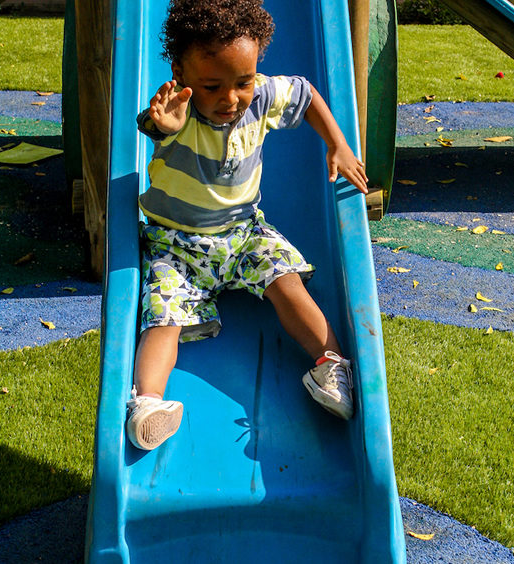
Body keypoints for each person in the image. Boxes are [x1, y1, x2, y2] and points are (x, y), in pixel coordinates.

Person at [126, 0, 369, 450]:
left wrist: (338, 144)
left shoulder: (261, 94)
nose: (230, 98)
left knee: (287, 281)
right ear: (180, 74)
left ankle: (331, 364)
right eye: (212, 85)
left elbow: (307, 93)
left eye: (241, 82)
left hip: (243, 234)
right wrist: (164, 124)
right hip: (175, 247)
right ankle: (148, 403)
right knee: (163, 317)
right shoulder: (176, 113)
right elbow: (154, 124)